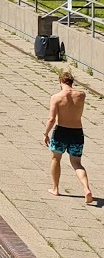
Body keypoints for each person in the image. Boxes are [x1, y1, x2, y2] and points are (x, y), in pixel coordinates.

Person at [45, 70, 94, 205]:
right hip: (77, 132)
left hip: (61, 132)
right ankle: (86, 189)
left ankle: (55, 188)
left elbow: (51, 118)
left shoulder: (56, 97)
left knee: (56, 158)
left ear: (60, 82)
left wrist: (46, 133)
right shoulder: (82, 95)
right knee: (77, 163)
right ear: (72, 82)